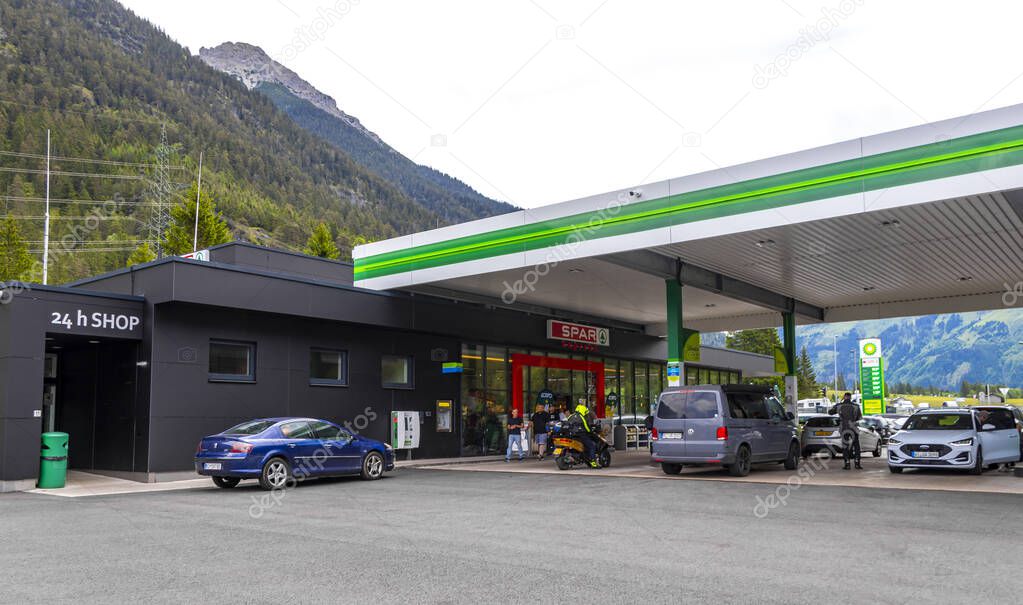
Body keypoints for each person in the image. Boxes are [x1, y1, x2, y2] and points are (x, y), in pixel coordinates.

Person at [829, 392, 862, 470]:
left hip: (844, 427)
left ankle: (847, 463)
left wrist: (836, 407)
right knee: (856, 445)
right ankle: (857, 463)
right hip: (853, 428)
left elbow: (830, 412)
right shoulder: (856, 406)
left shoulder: (839, 406)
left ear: (844, 397)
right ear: (850, 397)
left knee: (845, 446)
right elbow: (859, 417)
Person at [567, 402, 599, 468]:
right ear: (583, 410)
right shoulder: (582, 417)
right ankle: (593, 462)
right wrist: (591, 431)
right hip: (582, 435)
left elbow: (567, 424)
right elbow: (586, 427)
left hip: (572, 436)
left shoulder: (570, 416)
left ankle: (575, 457)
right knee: (592, 446)